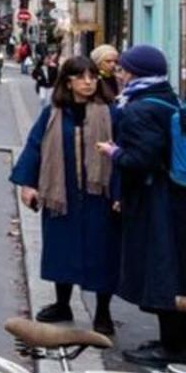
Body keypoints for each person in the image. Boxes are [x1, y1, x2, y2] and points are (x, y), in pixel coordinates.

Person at [105, 44, 186, 368]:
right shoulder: (169, 97)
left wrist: (113, 152)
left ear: (136, 73)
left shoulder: (139, 109)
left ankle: (172, 348)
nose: (120, 75)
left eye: (123, 69)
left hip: (161, 203)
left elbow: (141, 160)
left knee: (163, 272)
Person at [10, 56, 121, 336]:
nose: (88, 82)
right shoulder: (53, 113)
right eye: (81, 77)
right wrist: (28, 184)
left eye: (93, 77)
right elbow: (35, 147)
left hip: (100, 195)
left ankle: (103, 312)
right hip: (62, 192)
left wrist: (120, 193)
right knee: (62, 249)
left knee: (103, 253)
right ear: (68, 81)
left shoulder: (111, 112)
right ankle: (62, 304)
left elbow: (123, 155)